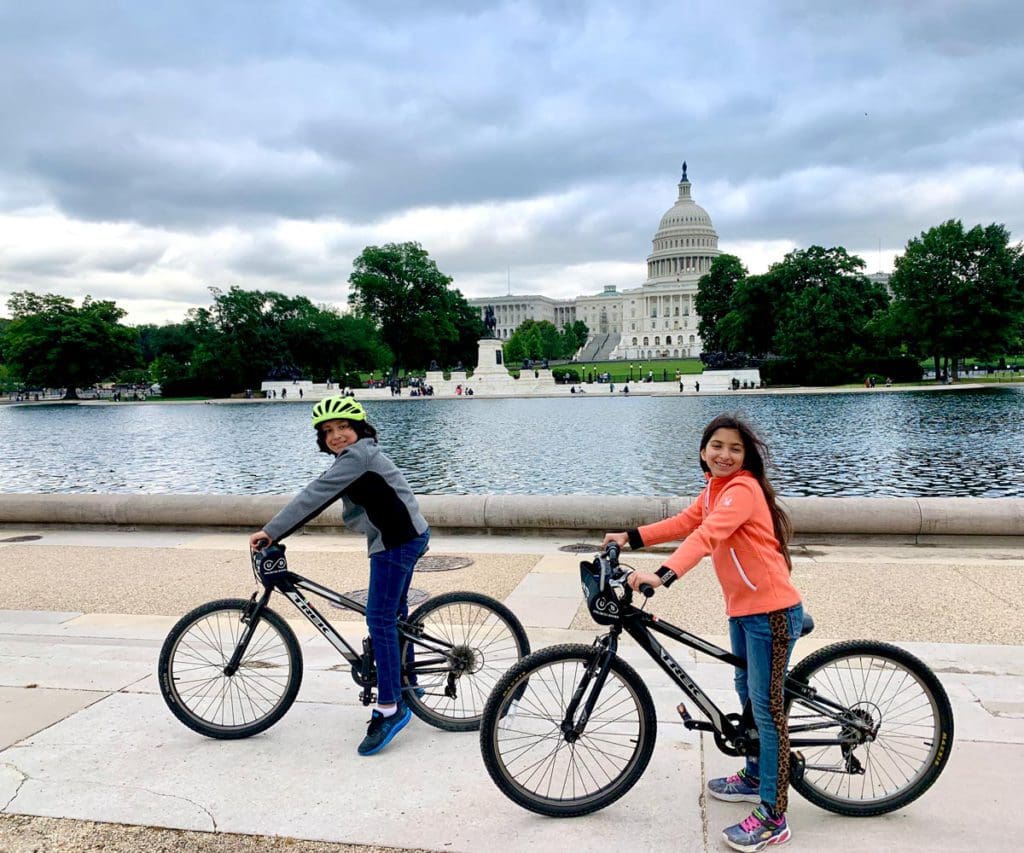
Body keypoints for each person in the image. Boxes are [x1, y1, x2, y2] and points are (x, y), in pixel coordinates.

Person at [603, 413, 802, 852]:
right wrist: (630, 537)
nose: (724, 455)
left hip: (770, 612)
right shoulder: (714, 490)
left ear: (746, 456)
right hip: (746, 611)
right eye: (717, 446)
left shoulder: (743, 490)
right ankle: (754, 773)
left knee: (767, 710)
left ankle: (774, 815)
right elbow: (683, 523)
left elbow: (707, 537)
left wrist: (663, 574)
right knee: (746, 691)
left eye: (734, 448)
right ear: (702, 452)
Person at [248, 397, 430, 757]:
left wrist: (271, 532)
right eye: (327, 431)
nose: (336, 436)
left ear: (359, 429)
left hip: (396, 542)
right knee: (394, 615)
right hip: (402, 536)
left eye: (343, 427)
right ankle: (408, 681)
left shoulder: (358, 457)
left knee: (378, 617)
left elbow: (314, 496)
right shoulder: (356, 456)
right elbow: (321, 492)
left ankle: (392, 707)